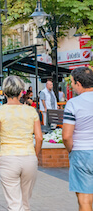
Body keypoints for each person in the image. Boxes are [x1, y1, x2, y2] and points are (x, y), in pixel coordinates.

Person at [0, 75, 43, 211]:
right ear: (21, 92)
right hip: (29, 157)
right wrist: (35, 155)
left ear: (5, 92)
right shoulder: (31, 111)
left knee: (14, 203)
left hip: (8, 157)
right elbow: (39, 138)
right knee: (25, 201)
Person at [63, 66, 93, 211]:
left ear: (79, 84)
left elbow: (67, 136)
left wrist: (71, 150)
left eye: (73, 83)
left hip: (81, 152)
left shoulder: (73, 103)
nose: (73, 86)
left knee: (85, 199)